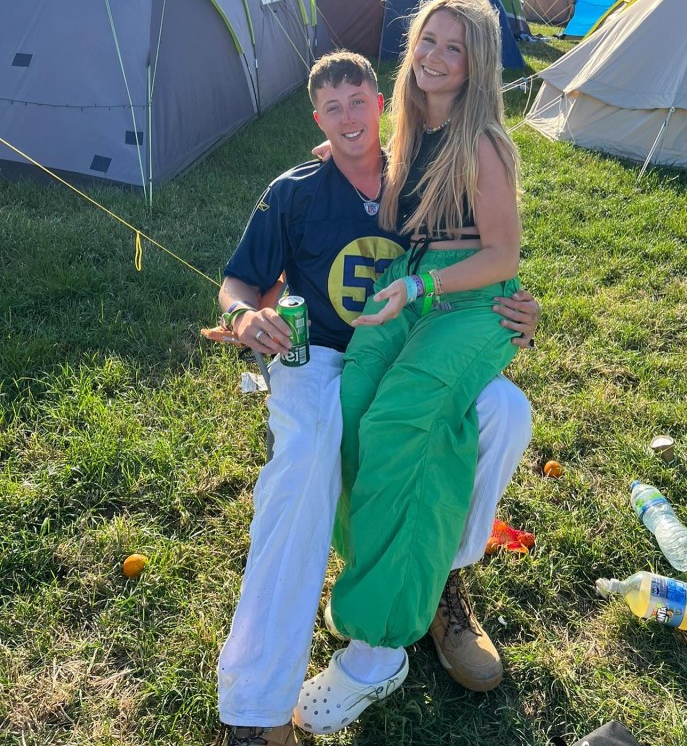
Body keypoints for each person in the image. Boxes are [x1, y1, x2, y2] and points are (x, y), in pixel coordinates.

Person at [216, 49, 540, 746]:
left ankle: (439, 584)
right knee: (304, 462)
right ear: (316, 119)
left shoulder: (421, 172)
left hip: (409, 344)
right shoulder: (294, 190)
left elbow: (486, 248)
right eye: (332, 109)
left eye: (358, 102)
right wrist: (245, 317)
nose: (348, 118)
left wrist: (520, 309)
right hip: (320, 355)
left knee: (508, 414)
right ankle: (256, 707)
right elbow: (238, 284)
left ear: (382, 106)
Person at [295, 0, 523, 736]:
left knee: (401, 418)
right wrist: (340, 148)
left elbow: (502, 255)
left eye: (454, 48)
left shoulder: (484, 140)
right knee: (353, 406)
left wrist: (425, 285)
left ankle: (379, 642)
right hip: (412, 288)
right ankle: (387, 568)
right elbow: (377, 175)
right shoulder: (408, 130)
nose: (435, 55)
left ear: (475, 63)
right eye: (429, 38)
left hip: (467, 300)